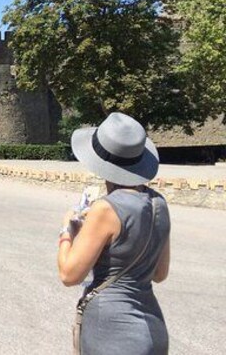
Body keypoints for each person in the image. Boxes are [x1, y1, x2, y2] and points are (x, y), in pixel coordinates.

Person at [57, 112, 171, 355]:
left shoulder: (105, 209)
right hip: (152, 327)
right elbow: (159, 274)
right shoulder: (159, 203)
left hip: (112, 331)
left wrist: (67, 229)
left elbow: (69, 274)